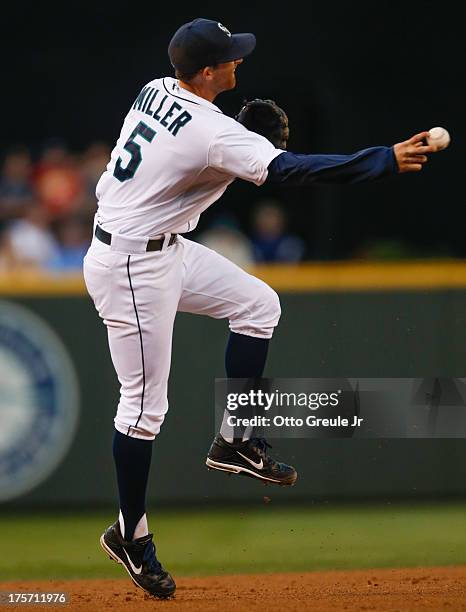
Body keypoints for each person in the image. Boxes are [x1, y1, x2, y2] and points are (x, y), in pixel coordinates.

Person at [83, 17, 436, 600]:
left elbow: (198, 150)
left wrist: (239, 140)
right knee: (143, 408)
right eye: (228, 58)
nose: (237, 62)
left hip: (161, 246)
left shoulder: (155, 89)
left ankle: (236, 438)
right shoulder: (211, 130)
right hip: (131, 268)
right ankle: (131, 533)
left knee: (258, 305)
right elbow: (285, 169)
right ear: (204, 72)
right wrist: (380, 160)